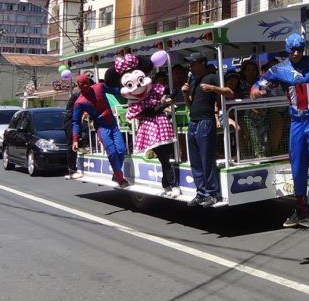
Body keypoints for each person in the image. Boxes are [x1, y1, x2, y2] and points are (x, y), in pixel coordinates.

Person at [251, 33, 309, 230]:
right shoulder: (279, 68)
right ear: (286, 49)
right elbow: (259, 84)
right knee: (298, 166)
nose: (296, 53)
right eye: (292, 49)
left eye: (300, 49)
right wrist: (256, 90)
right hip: (296, 121)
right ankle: (301, 209)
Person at [116, 53, 179, 197]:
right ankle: (171, 185)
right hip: (150, 130)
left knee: (166, 157)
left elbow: (170, 91)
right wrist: (164, 104)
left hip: (163, 126)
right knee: (164, 157)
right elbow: (150, 112)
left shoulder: (155, 89)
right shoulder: (135, 102)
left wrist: (171, 95)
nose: (138, 86)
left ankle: (167, 185)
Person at [71, 73, 129, 187]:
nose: (85, 86)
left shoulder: (99, 86)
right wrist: (75, 139)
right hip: (101, 127)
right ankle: (119, 177)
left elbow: (115, 90)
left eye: (86, 83)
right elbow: (75, 122)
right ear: (78, 86)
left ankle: (116, 173)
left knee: (121, 150)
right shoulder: (79, 102)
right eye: (82, 85)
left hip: (113, 124)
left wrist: (129, 89)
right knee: (111, 152)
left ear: (89, 81)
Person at [182, 52, 221, 207]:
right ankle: (201, 193)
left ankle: (212, 193)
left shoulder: (212, 77)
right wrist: (185, 95)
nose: (190, 66)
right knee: (195, 160)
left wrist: (213, 88)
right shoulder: (193, 81)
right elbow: (190, 105)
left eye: (193, 63)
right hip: (193, 121)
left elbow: (228, 92)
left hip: (206, 121)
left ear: (202, 63)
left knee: (207, 159)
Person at [62, 86, 82, 180]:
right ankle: (72, 169)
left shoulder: (77, 96)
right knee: (71, 145)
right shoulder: (76, 96)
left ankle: (73, 168)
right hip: (71, 120)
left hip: (75, 119)